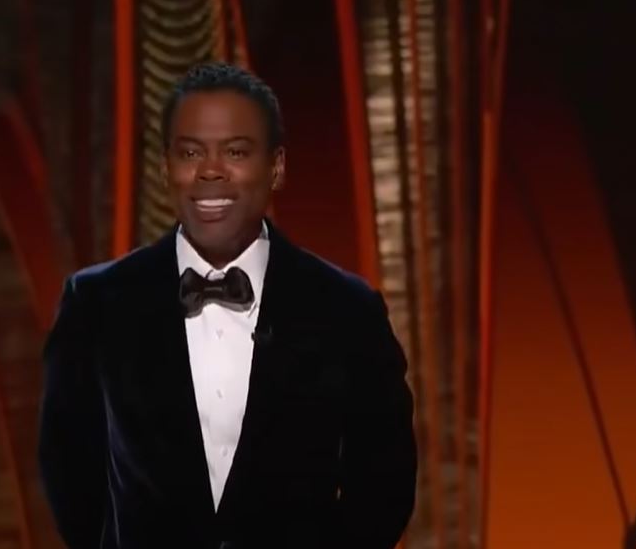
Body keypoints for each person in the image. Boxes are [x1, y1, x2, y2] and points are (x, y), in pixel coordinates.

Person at [38, 62, 417, 549]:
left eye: (236, 151)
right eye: (190, 152)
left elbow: (384, 483)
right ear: (165, 168)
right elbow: (67, 468)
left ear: (276, 166)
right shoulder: (96, 303)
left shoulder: (347, 310)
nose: (210, 170)